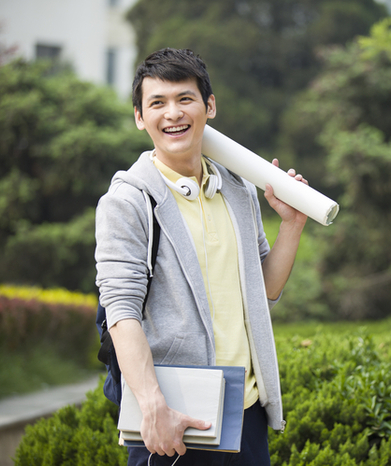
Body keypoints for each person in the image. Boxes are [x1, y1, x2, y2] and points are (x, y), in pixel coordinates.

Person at [95, 48, 307, 466]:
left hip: (246, 413)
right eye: (157, 103)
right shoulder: (127, 201)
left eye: (185, 99)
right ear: (140, 117)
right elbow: (121, 312)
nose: (172, 113)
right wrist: (153, 407)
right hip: (174, 417)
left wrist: (293, 225)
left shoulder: (238, 189)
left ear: (209, 106)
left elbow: (263, 289)